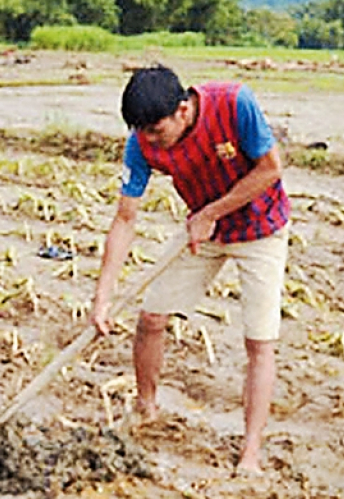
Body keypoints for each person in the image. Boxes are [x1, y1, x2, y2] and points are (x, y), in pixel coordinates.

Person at [91, 65, 290, 473]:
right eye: (141, 131)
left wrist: (212, 212)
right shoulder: (141, 143)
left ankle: (250, 452)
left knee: (259, 343)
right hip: (203, 233)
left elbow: (271, 168)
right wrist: (103, 297)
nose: (149, 140)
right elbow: (125, 218)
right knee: (150, 319)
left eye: (156, 130)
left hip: (261, 229)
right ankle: (146, 409)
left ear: (183, 110)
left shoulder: (235, 104)